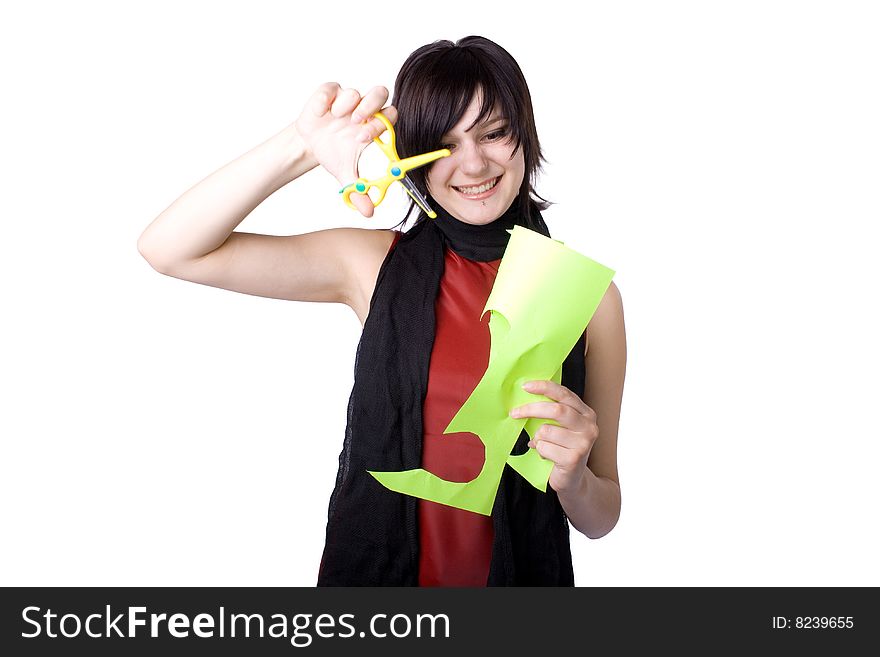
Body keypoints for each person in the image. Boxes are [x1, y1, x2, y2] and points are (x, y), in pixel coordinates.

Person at [138, 35, 626, 586]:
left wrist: (576, 478)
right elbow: (171, 249)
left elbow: (601, 517)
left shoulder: (588, 298)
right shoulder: (371, 264)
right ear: (410, 155)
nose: (472, 163)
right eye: (442, 144)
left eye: (494, 133)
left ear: (525, 135)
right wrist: (302, 145)